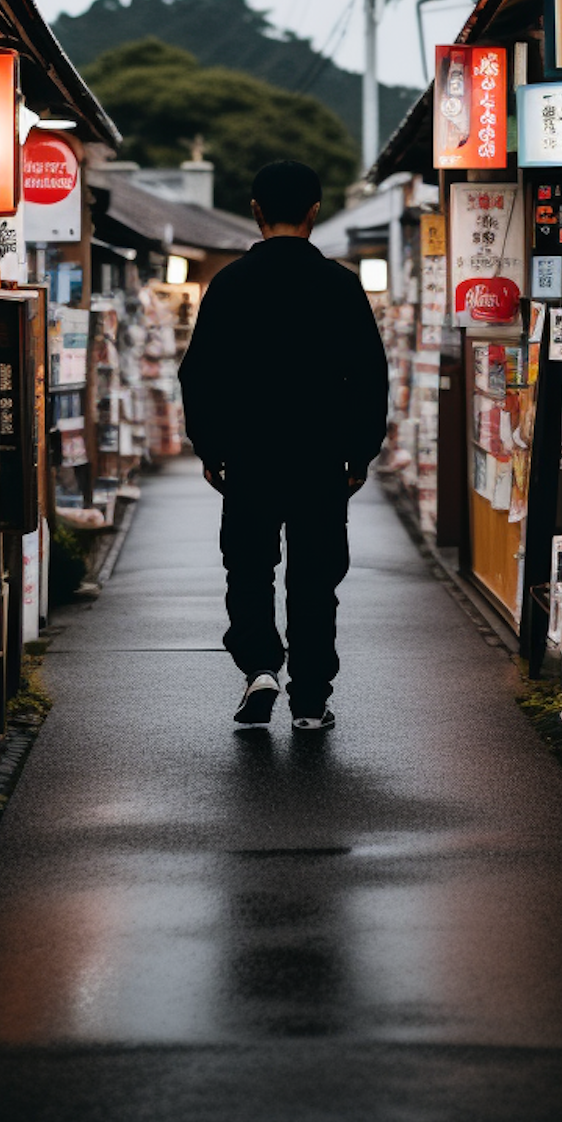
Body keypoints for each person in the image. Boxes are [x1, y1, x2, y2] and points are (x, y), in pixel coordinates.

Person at [177, 159, 389, 731]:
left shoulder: (229, 285)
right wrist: (360, 452)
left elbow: (199, 374)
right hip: (322, 458)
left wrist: (209, 448)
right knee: (315, 577)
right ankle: (312, 698)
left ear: (256, 211)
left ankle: (260, 669)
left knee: (248, 567)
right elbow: (370, 375)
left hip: (249, 456)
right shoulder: (341, 286)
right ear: (315, 213)